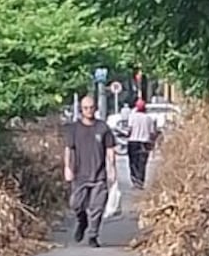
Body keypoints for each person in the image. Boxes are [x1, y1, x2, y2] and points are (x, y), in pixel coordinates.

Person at [63, 92, 117, 246]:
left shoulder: (102, 127)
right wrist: (68, 168)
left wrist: (112, 169)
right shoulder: (74, 129)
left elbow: (110, 149)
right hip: (80, 174)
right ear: (81, 109)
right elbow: (69, 149)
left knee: (97, 207)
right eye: (85, 108)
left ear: (96, 108)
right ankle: (82, 220)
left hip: (99, 175)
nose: (88, 110)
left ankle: (93, 235)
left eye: (91, 107)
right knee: (75, 204)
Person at [126, 96, 157, 189]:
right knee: (142, 163)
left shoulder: (132, 117)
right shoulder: (149, 118)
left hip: (133, 142)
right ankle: (141, 180)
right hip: (145, 142)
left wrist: (127, 135)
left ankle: (134, 179)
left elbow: (129, 130)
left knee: (133, 162)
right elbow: (152, 133)